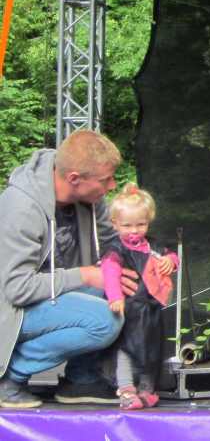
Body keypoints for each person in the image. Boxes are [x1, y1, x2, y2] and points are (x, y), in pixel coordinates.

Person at [0, 130, 137, 409]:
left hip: (50, 296)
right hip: (10, 309)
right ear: (74, 178)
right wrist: (86, 275)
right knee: (105, 320)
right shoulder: (21, 208)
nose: (112, 185)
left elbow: (112, 245)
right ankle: (10, 377)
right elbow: (17, 289)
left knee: (125, 291)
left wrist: (145, 262)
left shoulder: (91, 200)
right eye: (105, 180)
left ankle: (81, 380)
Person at [101, 184, 179, 409]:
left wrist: (170, 261)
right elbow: (110, 272)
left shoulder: (153, 245)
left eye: (141, 224)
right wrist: (115, 297)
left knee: (151, 350)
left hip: (150, 309)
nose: (134, 231)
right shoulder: (116, 249)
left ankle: (147, 389)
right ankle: (126, 390)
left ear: (148, 221)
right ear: (115, 223)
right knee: (125, 349)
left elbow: (172, 256)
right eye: (127, 225)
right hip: (128, 308)